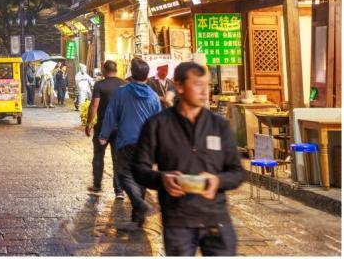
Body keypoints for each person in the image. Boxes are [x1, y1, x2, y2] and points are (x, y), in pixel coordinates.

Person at [133, 61, 245, 256]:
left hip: (216, 219)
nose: (204, 92)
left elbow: (237, 172)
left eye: (207, 85)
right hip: (178, 221)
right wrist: (162, 179)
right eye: (197, 85)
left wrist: (217, 180)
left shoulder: (219, 125)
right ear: (179, 86)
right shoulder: (158, 125)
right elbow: (139, 169)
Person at [98, 58, 162, 227]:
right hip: (147, 144)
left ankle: (138, 203)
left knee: (123, 173)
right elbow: (159, 122)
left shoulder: (122, 92)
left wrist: (104, 134)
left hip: (126, 141)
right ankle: (137, 215)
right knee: (142, 177)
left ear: (131, 75)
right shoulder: (154, 97)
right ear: (147, 77)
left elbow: (110, 114)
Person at [85, 60, 125, 198]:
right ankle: (119, 190)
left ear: (104, 70)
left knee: (98, 156)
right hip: (119, 128)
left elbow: (94, 105)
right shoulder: (124, 84)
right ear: (116, 70)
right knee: (117, 158)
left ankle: (97, 185)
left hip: (102, 126)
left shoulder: (100, 85)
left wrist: (89, 123)